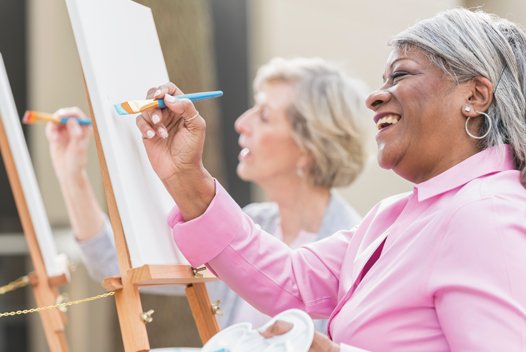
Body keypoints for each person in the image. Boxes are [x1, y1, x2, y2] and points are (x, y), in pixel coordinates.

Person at [135, 8, 526, 351]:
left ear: (475, 96)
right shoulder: (393, 216)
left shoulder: (484, 214)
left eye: (401, 75)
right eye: (382, 79)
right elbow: (289, 281)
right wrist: (186, 175)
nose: (375, 97)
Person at [46, 58, 368, 331]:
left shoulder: (355, 253)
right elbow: (115, 261)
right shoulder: (250, 225)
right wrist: (71, 174)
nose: (242, 123)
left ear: (311, 146)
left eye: (265, 115)